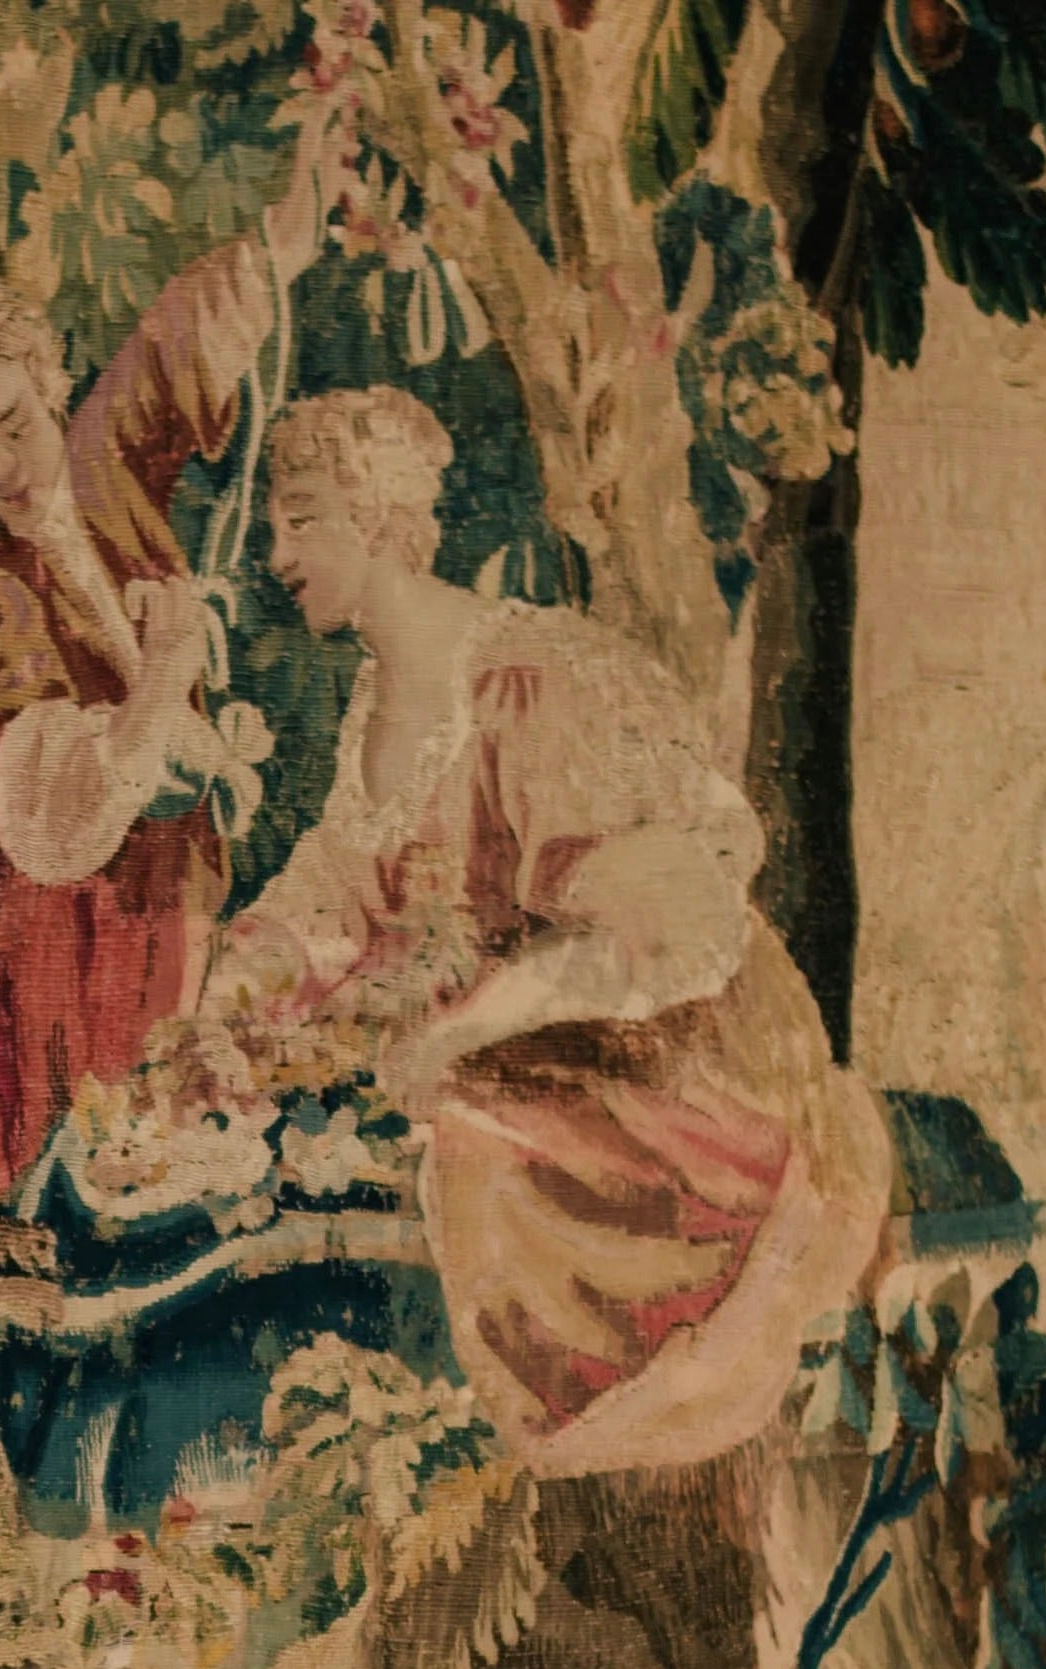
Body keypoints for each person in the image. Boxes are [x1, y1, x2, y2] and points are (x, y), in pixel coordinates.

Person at [204, 384, 888, 1474]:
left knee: (477, 1157)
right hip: (505, 1048)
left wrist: (453, 1033)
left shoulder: (529, 681)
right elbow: (334, 891)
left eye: (301, 519)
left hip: (649, 1052)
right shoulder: (377, 701)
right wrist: (233, 997)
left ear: (374, 517)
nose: (275, 554)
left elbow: (649, 939)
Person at [0, 122, 334, 1216]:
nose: (3, 468)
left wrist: (284, 235)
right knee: (83, 1154)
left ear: (49, 384)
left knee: (182, 1128)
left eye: (13, 424)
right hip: (54, 916)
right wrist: (164, 674)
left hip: (167, 879)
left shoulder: (97, 468)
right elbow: (45, 813)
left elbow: (172, 351)